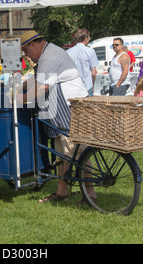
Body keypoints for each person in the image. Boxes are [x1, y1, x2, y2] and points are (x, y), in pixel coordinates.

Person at [15, 31, 93, 205]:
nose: (26, 56)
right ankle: (62, 192)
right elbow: (39, 77)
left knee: (75, 152)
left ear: (34, 44)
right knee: (62, 154)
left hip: (68, 107)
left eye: (26, 51)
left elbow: (42, 87)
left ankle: (90, 195)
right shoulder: (47, 54)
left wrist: (18, 98)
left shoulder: (50, 56)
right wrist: (21, 86)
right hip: (60, 108)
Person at [66, 28, 99, 96]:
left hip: (73, 86)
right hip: (87, 86)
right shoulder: (90, 51)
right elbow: (93, 72)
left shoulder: (68, 52)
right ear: (86, 38)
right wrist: (92, 85)